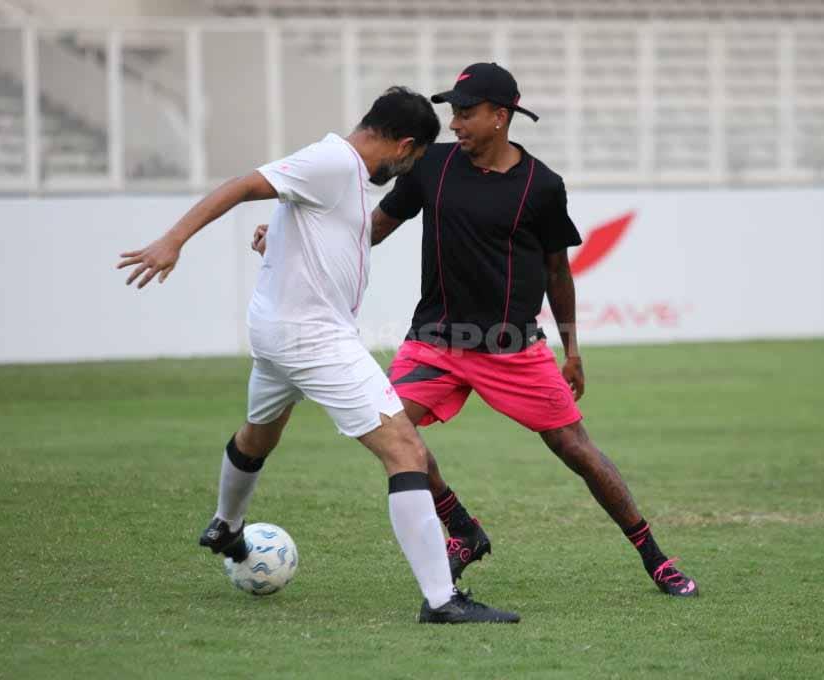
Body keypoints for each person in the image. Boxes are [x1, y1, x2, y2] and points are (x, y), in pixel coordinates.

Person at [255, 64, 698, 597]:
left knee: (576, 448)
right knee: (392, 433)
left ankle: (655, 558)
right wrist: (290, 238)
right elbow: (369, 229)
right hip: (434, 343)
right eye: (453, 112)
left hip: (512, 350)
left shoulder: (542, 186)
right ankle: (462, 528)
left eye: (466, 113)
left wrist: (573, 350)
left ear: (500, 116)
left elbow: (557, 272)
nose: (455, 123)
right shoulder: (431, 165)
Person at [117, 86, 519, 623]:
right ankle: (442, 601)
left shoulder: (342, 173)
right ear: (404, 146)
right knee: (405, 451)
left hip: (277, 330)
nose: (407, 170)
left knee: (260, 431)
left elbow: (317, 227)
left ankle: (226, 524)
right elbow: (242, 186)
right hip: (314, 337)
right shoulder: (333, 162)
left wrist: (280, 237)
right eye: (414, 158)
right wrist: (174, 240)